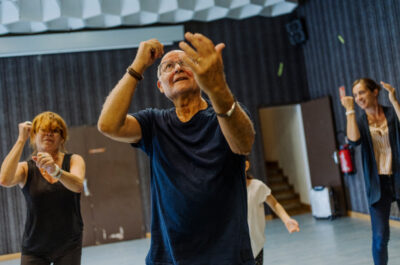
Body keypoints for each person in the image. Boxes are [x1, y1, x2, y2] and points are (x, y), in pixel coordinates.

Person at [97, 32, 256, 265]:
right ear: (160, 86)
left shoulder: (224, 114)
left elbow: (243, 143)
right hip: (168, 258)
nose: (177, 68)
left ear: (200, 75)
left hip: (227, 257)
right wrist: (137, 66)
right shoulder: (154, 123)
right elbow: (108, 125)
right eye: (168, 66)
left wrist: (218, 88)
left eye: (185, 63)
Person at [0, 111, 86, 265]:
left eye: (54, 130)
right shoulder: (26, 169)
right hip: (35, 246)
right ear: (33, 136)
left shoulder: (74, 160)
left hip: (69, 244)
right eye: (43, 130)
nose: (49, 134)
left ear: (62, 137)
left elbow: (78, 185)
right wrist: (21, 139)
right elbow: (4, 180)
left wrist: (56, 171)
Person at [340, 78, 400, 265]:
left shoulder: (391, 113)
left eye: (362, 92)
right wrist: (349, 110)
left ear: (374, 92)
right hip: (377, 184)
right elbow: (354, 141)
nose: (358, 97)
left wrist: (394, 100)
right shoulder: (359, 121)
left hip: (398, 178)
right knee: (380, 238)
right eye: (356, 94)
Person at [245, 158, 299, 265]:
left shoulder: (257, 186)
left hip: (256, 247)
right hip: (236, 249)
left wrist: (286, 219)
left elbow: (274, 204)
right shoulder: (226, 190)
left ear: (246, 165)